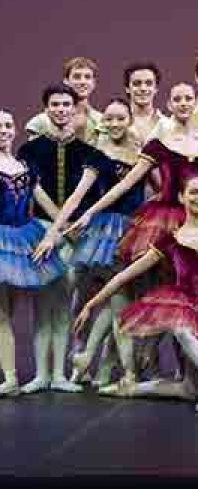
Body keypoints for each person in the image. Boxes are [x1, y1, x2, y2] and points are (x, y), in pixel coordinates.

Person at [73, 176, 198, 412]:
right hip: (183, 305)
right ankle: (131, 390)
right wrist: (91, 304)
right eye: (194, 192)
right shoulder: (171, 239)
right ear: (182, 197)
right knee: (190, 389)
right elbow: (126, 275)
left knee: (181, 332)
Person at [66, 83, 198, 265]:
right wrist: (89, 213)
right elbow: (126, 183)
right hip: (162, 220)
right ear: (169, 105)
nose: (183, 103)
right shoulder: (159, 143)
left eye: (188, 98)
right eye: (177, 99)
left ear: (195, 103)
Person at [41, 99, 144, 389]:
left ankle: (102, 364)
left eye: (120, 118)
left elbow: (162, 186)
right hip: (102, 230)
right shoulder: (97, 155)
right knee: (95, 296)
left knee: (118, 300)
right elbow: (76, 196)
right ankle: (88, 359)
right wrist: (55, 232)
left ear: (129, 120)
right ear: (102, 123)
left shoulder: (142, 153)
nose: (114, 124)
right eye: (109, 119)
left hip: (133, 228)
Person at [18, 84, 103, 393]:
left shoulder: (89, 152)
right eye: (55, 104)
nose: (61, 109)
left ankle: (60, 375)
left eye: (67, 104)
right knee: (43, 303)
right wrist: (58, 223)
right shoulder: (29, 150)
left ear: (75, 110)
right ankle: (41, 374)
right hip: (42, 229)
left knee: (64, 301)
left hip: (74, 235)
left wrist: (71, 226)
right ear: (46, 108)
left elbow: (92, 197)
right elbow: (34, 189)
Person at [0, 109, 69, 395]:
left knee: (15, 311)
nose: (3, 130)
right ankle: (12, 377)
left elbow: (45, 203)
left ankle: (13, 373)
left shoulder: (25, 166)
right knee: (1, 312)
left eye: (7, 125)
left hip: (24, 239)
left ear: (14, 130)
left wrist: (64, 227)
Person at [26, 57, 104, 145]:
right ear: (66, 81)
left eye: (87, 77)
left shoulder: (101, 121)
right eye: (77, 77)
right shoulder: (43, 121)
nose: (83, 82)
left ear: (93, 83)